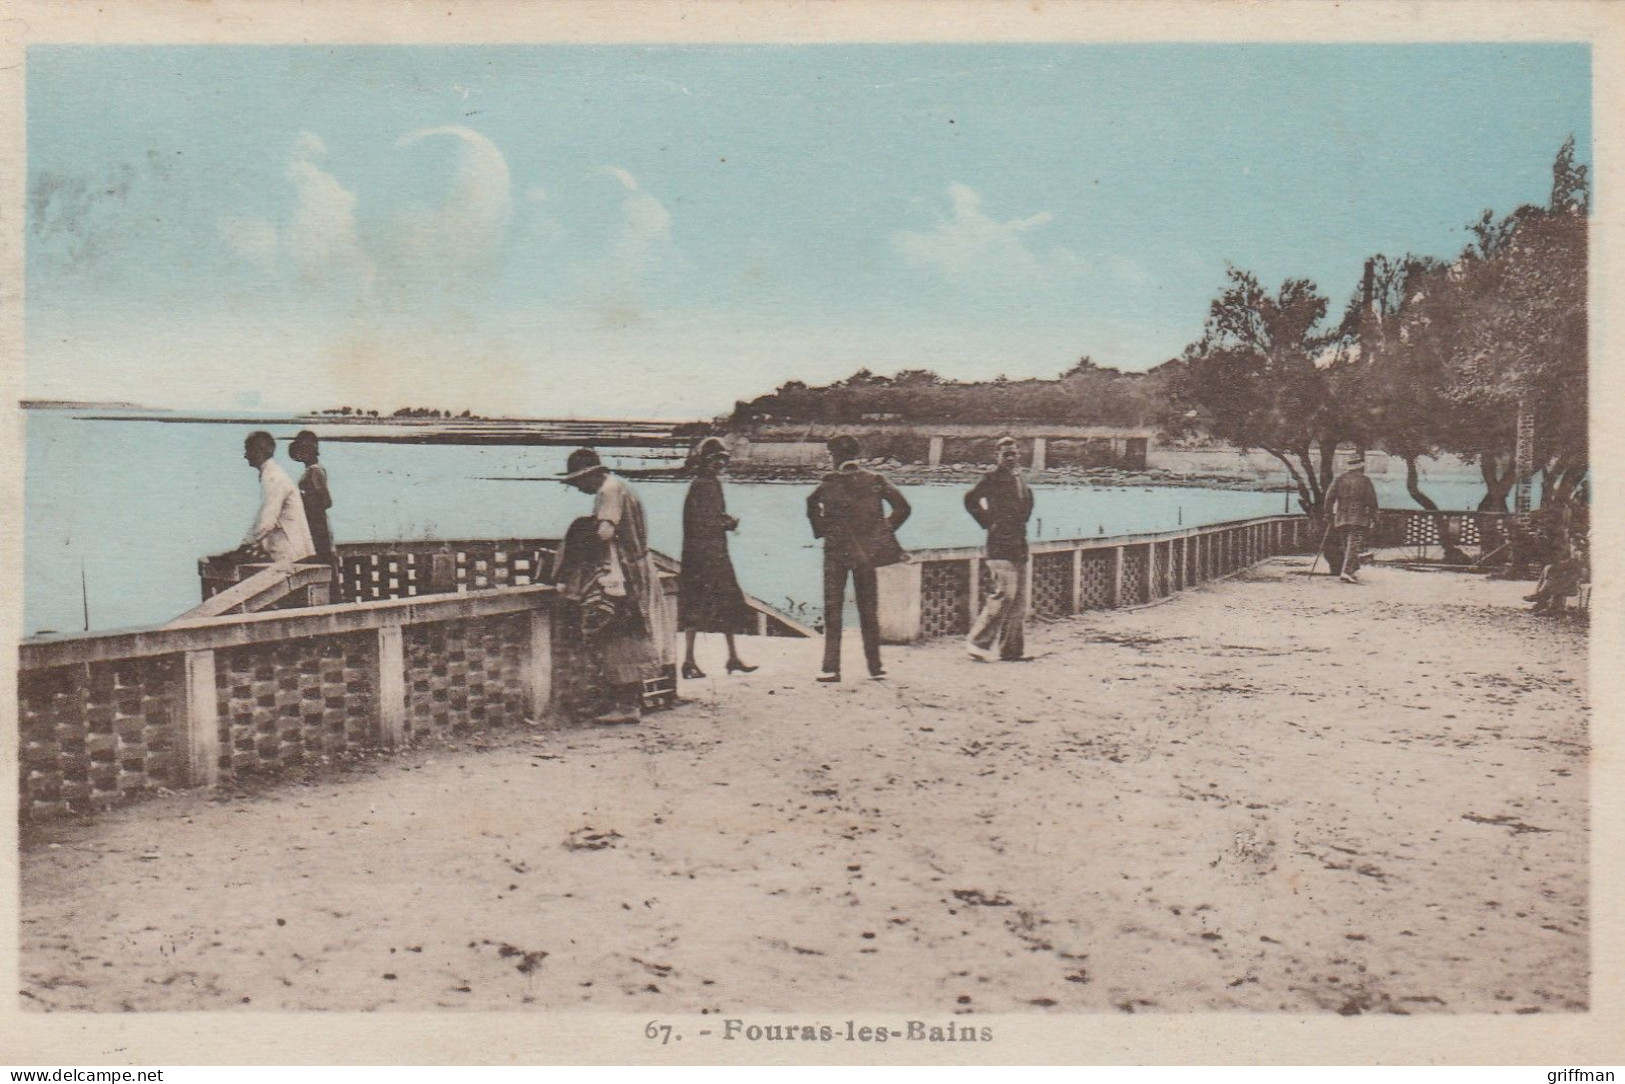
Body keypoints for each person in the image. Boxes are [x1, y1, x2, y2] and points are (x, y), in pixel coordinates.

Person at [558, 448, 662, 724]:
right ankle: (630, 700)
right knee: (632, 632)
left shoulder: (609, 491)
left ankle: (626, 704)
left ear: (589, 476)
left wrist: (579, 538)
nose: (579, 489)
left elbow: (605, 531)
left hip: (624, 570)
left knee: (618, 634)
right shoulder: (622, 487)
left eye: (578, 482)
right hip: (639, 566)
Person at [806, 434, 911, 682]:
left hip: (835, 553)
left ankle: (831, 668)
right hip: (866, 553)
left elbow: (810, 503)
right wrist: (882, 533)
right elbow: (903, 508)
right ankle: (874, 667)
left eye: (831, 455)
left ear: (836, 456)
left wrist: (821, 529)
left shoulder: (828, 482)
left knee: (833, 610)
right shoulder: (875, 480)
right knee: (868, 609)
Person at [678, 436, 757, 679]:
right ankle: (694, 660)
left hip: (703, 553)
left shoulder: (705, 483)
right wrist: (726, 523)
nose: (719, 465)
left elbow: (706, 518)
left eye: (722, 460)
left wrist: (723, 521)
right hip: (707, 555)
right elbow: (704, 521)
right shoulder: (704, 484)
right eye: (715, 460)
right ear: (705, 461)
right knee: (715, 603)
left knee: (708, 604)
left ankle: (726, 658)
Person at [964, 435, 1035, 662]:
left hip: (1019, 546)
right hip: (999, 546)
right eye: (1006, 454)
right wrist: (988, 523)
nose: (1011, 458)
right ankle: (977, 641)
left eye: (1014, 453)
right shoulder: (990, 478)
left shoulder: (1020, 480)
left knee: (1018, 602)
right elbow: (970, 499)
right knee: (1004, 595)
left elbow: (1027, 505)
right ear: (997, 456)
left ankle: (1011, 650)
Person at [234, 430, 315, 568]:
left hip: (290, 554)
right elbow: (264, 519)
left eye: (248, 450)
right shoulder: (272, 473)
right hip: (291, 552)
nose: (246, 455)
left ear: (259, 451)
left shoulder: (273, 477)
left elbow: (266, 520)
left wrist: (243, 548)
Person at [289, 430, 338, 586]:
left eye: (303, 450)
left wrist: (303, 499)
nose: (300, 454)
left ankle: (331, 596)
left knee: (322, 559)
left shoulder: (315, 470)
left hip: (318, 524)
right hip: (312, 524)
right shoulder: (311, 470)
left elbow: (327, 501)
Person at [1323, 452, 1379, 584]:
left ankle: (1352, 570)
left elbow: (1329, 498)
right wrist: (1374, 517)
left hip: (1341, 517)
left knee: (1347, 544)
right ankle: (1347, 572)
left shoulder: (1339, 479)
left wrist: (1328, 513)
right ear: (1360, 466)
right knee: (1353, 545)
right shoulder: (1365, 481)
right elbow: (1372, 501)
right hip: (1358, 518)